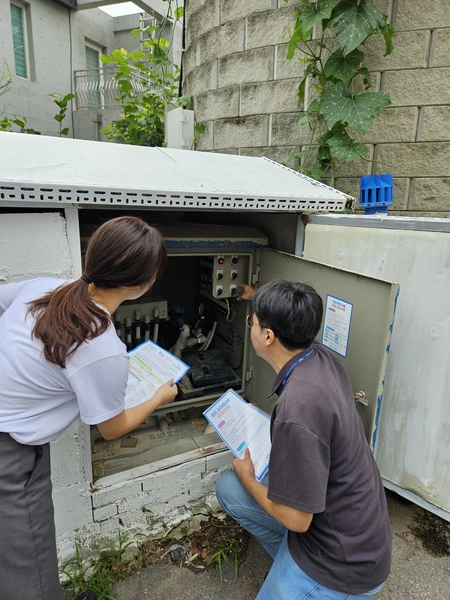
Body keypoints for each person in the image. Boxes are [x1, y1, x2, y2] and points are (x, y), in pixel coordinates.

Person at [0, 216, 178, 600]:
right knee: (28, 566)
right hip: (8, 450)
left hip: (11, 431)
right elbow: (112, 428)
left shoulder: (45, 287)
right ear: (144, 285)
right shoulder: (103, 348)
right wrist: (158, 398)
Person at [216, 280, 391, 599]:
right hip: (355, 524)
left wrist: (249, 478)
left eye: (251, 321)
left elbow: (297, 520)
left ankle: (309, 586)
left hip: (341, 562)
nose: (250, 325)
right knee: (229, 489)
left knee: (242, 483)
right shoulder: (319, 356)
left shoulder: (298, 410)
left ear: (267, 336)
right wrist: (258, 296)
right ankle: (288, 566)